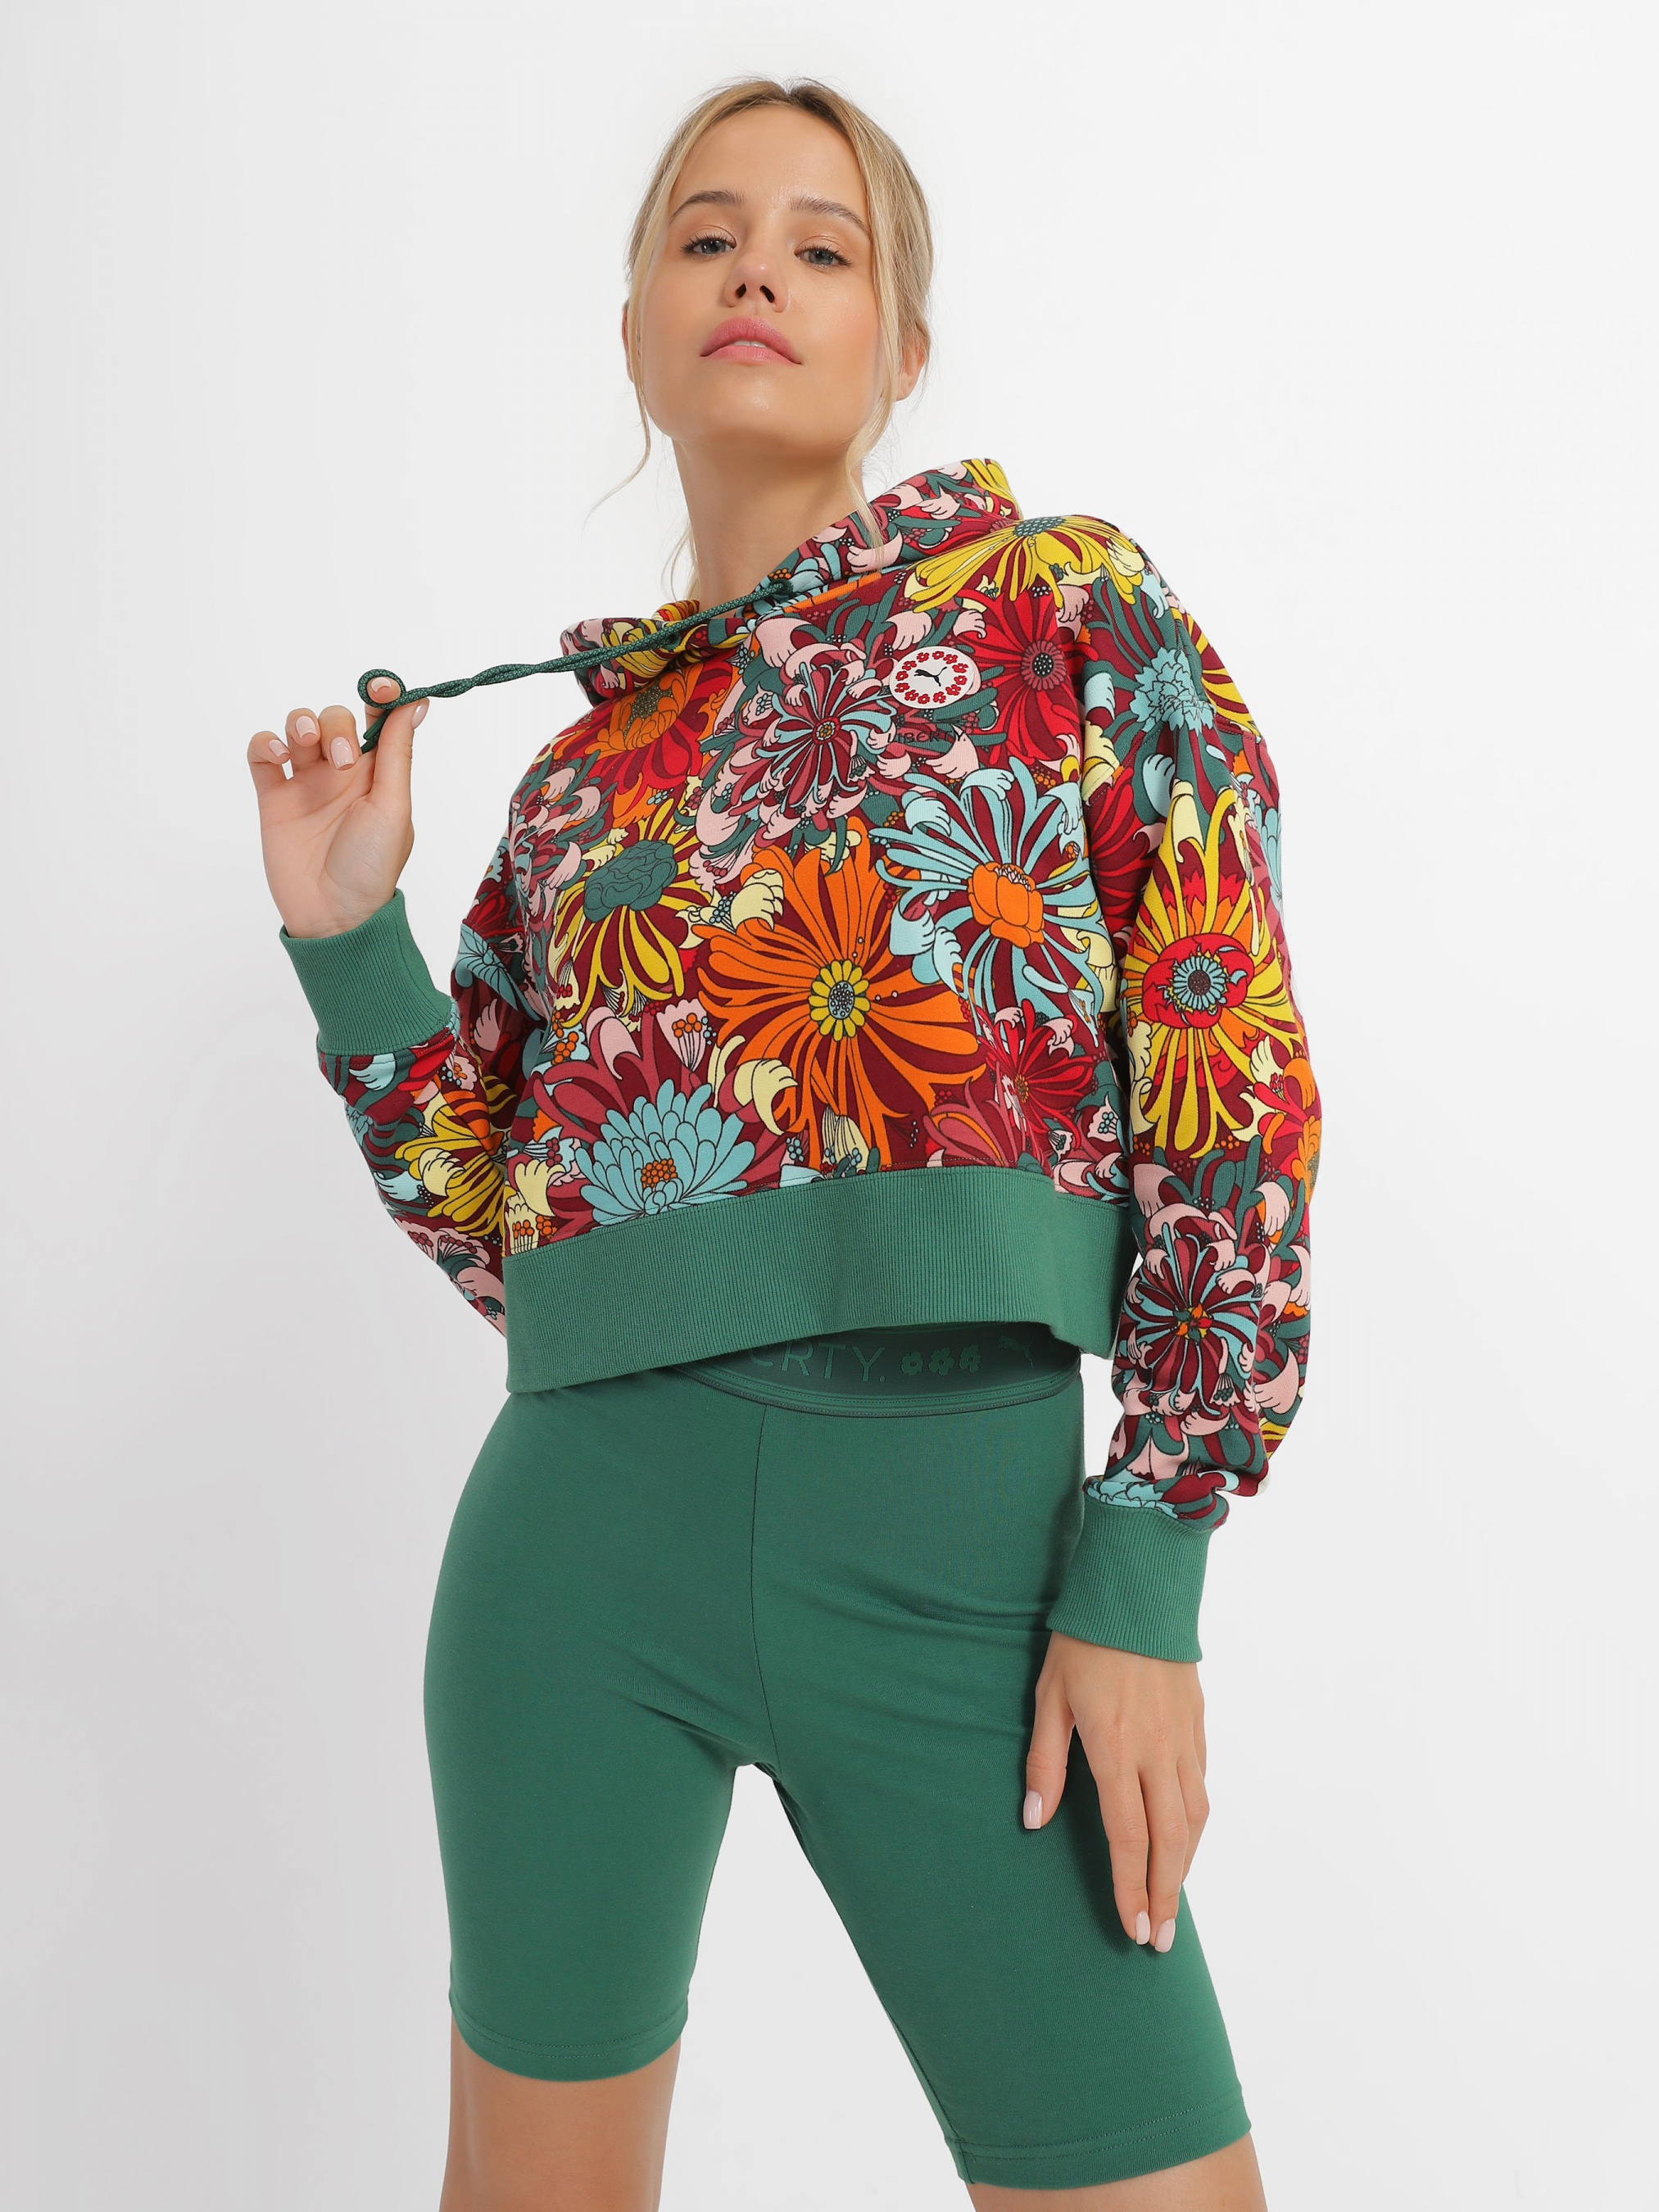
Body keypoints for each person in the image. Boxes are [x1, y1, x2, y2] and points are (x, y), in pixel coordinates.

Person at [247, 75, 1317, 2212]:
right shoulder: (576, 788)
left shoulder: (1058, 614)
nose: (757, 270)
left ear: (899, 345)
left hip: (966, 1570)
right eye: (705, 234)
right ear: (638, 331)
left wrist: (1153, 1545)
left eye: (823, 245)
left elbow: (1229, 1063)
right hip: (575, 1562)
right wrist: (349, 937)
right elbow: (518, 1237)